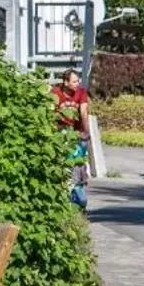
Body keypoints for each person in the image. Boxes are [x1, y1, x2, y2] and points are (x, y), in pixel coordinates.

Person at [52, 68, 93, 210]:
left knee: (79, 161)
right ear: (65, 82)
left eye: (78, 81)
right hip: (61, 132)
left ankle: (78, 191)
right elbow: (51, 112)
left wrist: (87, 132)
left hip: (77, 132)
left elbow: (83, 112)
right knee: (63, 162)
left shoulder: (81, 92)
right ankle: (64, 192)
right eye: (74, 81)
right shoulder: (56, 92)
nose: (77, 84)